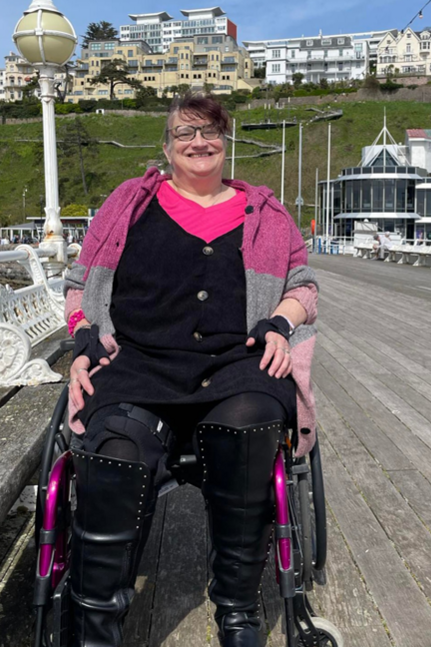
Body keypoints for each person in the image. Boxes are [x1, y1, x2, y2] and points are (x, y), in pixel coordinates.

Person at [59, 92, 319, 647]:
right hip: (138, 364)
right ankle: (91, 629)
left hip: (235, 363)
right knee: (114, 452)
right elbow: (80, 284)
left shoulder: (266, 213)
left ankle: (238, 609)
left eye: (210, 132)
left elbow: (302, 287)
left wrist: (279, 323)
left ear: (226, 143)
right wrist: (83, 339)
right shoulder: (130, 203)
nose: (198, 142)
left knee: (250, 427)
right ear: (167, 146)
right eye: (185, 132)